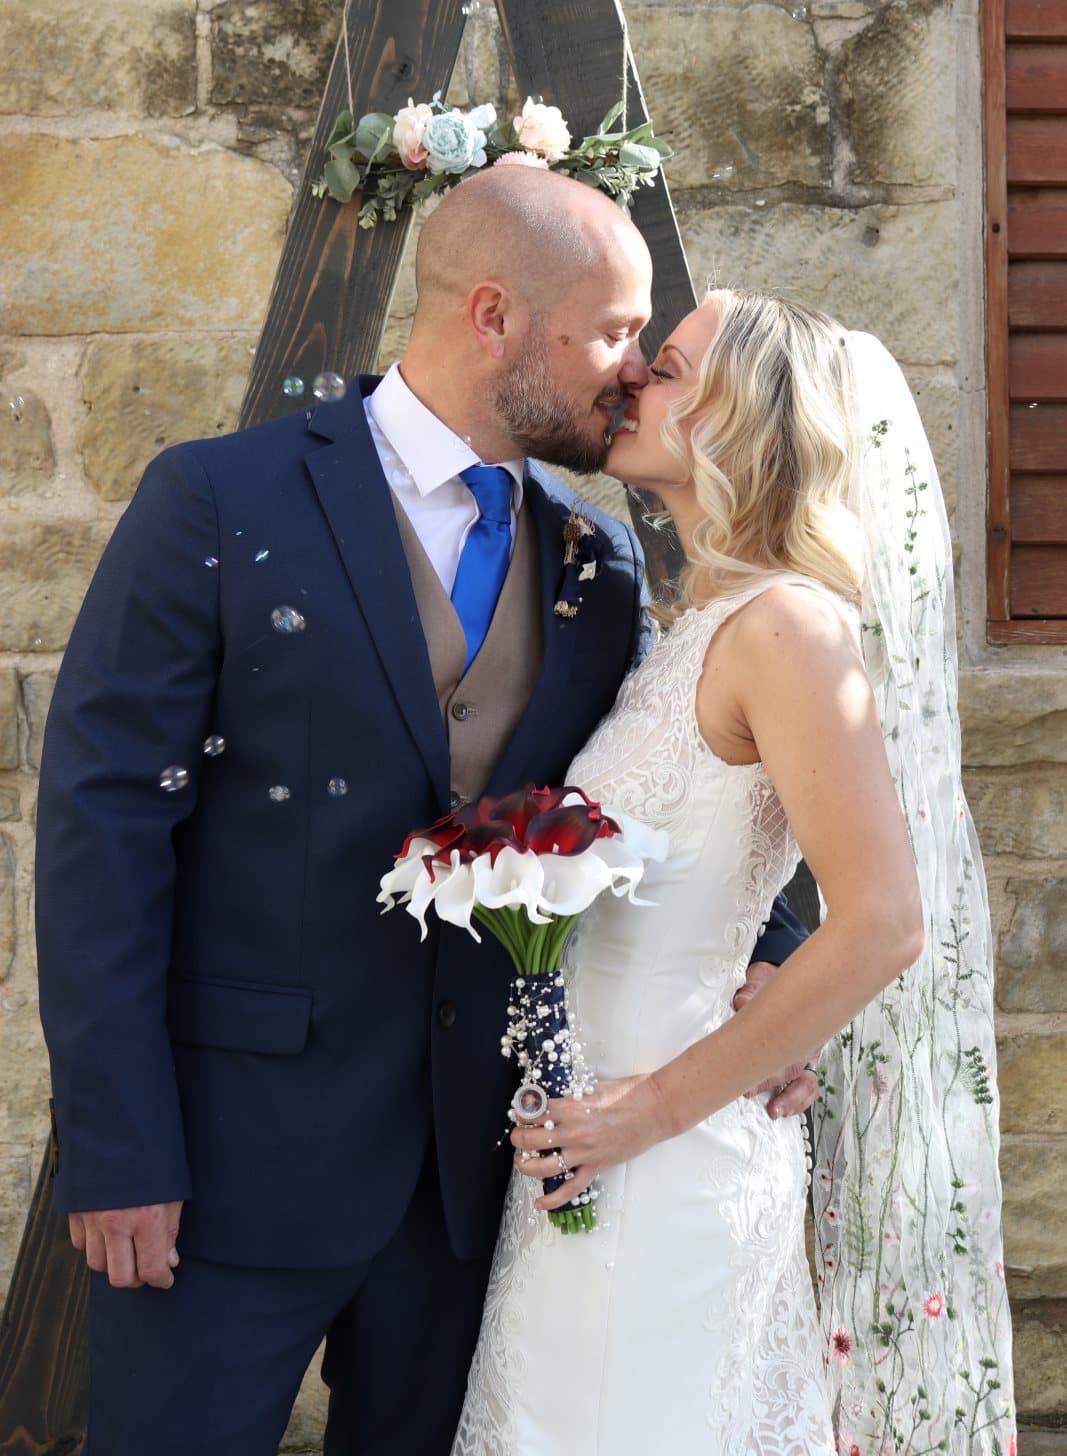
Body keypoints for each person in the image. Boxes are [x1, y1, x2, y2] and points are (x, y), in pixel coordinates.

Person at [34, 173, 813, 1455]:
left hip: (471, 1178)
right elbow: (100, 833)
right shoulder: (218, 503)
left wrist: (774, 950)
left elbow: (648, 773)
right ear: (496, 315)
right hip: (225, 1165)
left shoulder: (592, 561)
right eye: (613, 332)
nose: (631, 370)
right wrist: (119, 1150)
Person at [453, 290, 1016, 1455]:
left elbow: (881, 923)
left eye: (662, 367)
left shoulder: (789, 633)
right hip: (581, 1152)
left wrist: (646, 1110)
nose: (628, 384)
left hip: (665, 1161)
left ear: (744, 418)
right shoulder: (695, 620)